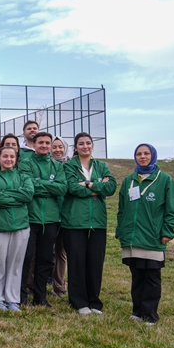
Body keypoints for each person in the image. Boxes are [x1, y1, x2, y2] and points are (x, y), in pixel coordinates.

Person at [116, 144, 174, 326]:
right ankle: (137, 311)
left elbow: (171, 209)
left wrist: (168, 231)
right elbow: (122, 209)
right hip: (132, 237)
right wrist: (121, 230)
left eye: (146, 153)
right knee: (136, 276)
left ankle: (150, 315)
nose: (142, 156)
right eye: (139, 154)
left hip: (152, 237)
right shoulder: (129, 180)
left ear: (153, 156)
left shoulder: (165, 180)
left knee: (151, 276)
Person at [61, 133, 117, 315]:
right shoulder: (69, 166)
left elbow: (110, 188)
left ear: (92, 146)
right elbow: (71, 187)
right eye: (81, 144)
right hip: (74, 223)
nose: (85, 146)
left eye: (88, 143)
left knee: (95, 263)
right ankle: (79, 302)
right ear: (75, 147)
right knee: (77, 263)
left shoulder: (101, 166)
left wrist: (88, 184)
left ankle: (94, 301)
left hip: (98, 223)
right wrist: (96, 187)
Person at [18, 131, 66, 307]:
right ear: (34, 144)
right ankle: (21, 297)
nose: (45, 146)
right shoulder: (25, 163)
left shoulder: (57, 166)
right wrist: (50, 186)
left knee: (45, 260)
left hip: (52, 220)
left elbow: (62, 188)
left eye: (48, 143)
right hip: (31, 218)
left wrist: (40, 183)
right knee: (26, 258)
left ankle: (40, 297)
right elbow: (29, 188)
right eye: (41, 143)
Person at [0, 146, 34, 312]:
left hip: (21, 226)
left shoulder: (24, 176)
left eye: (12, 157)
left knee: (16, 264)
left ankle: (12, 299)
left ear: (16, 159)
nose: (8, 159)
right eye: (5, 156)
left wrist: (9, 194)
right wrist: (16, 195)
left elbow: (28, 195)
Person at [50, 136, 70, 298]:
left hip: (67, 215)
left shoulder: (70, 166)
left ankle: (59, 286)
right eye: (54, 147)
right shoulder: (48, 165)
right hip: (50, 214)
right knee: (43, 252)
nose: (57, 150)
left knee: (61, 253)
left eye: (60, 147)